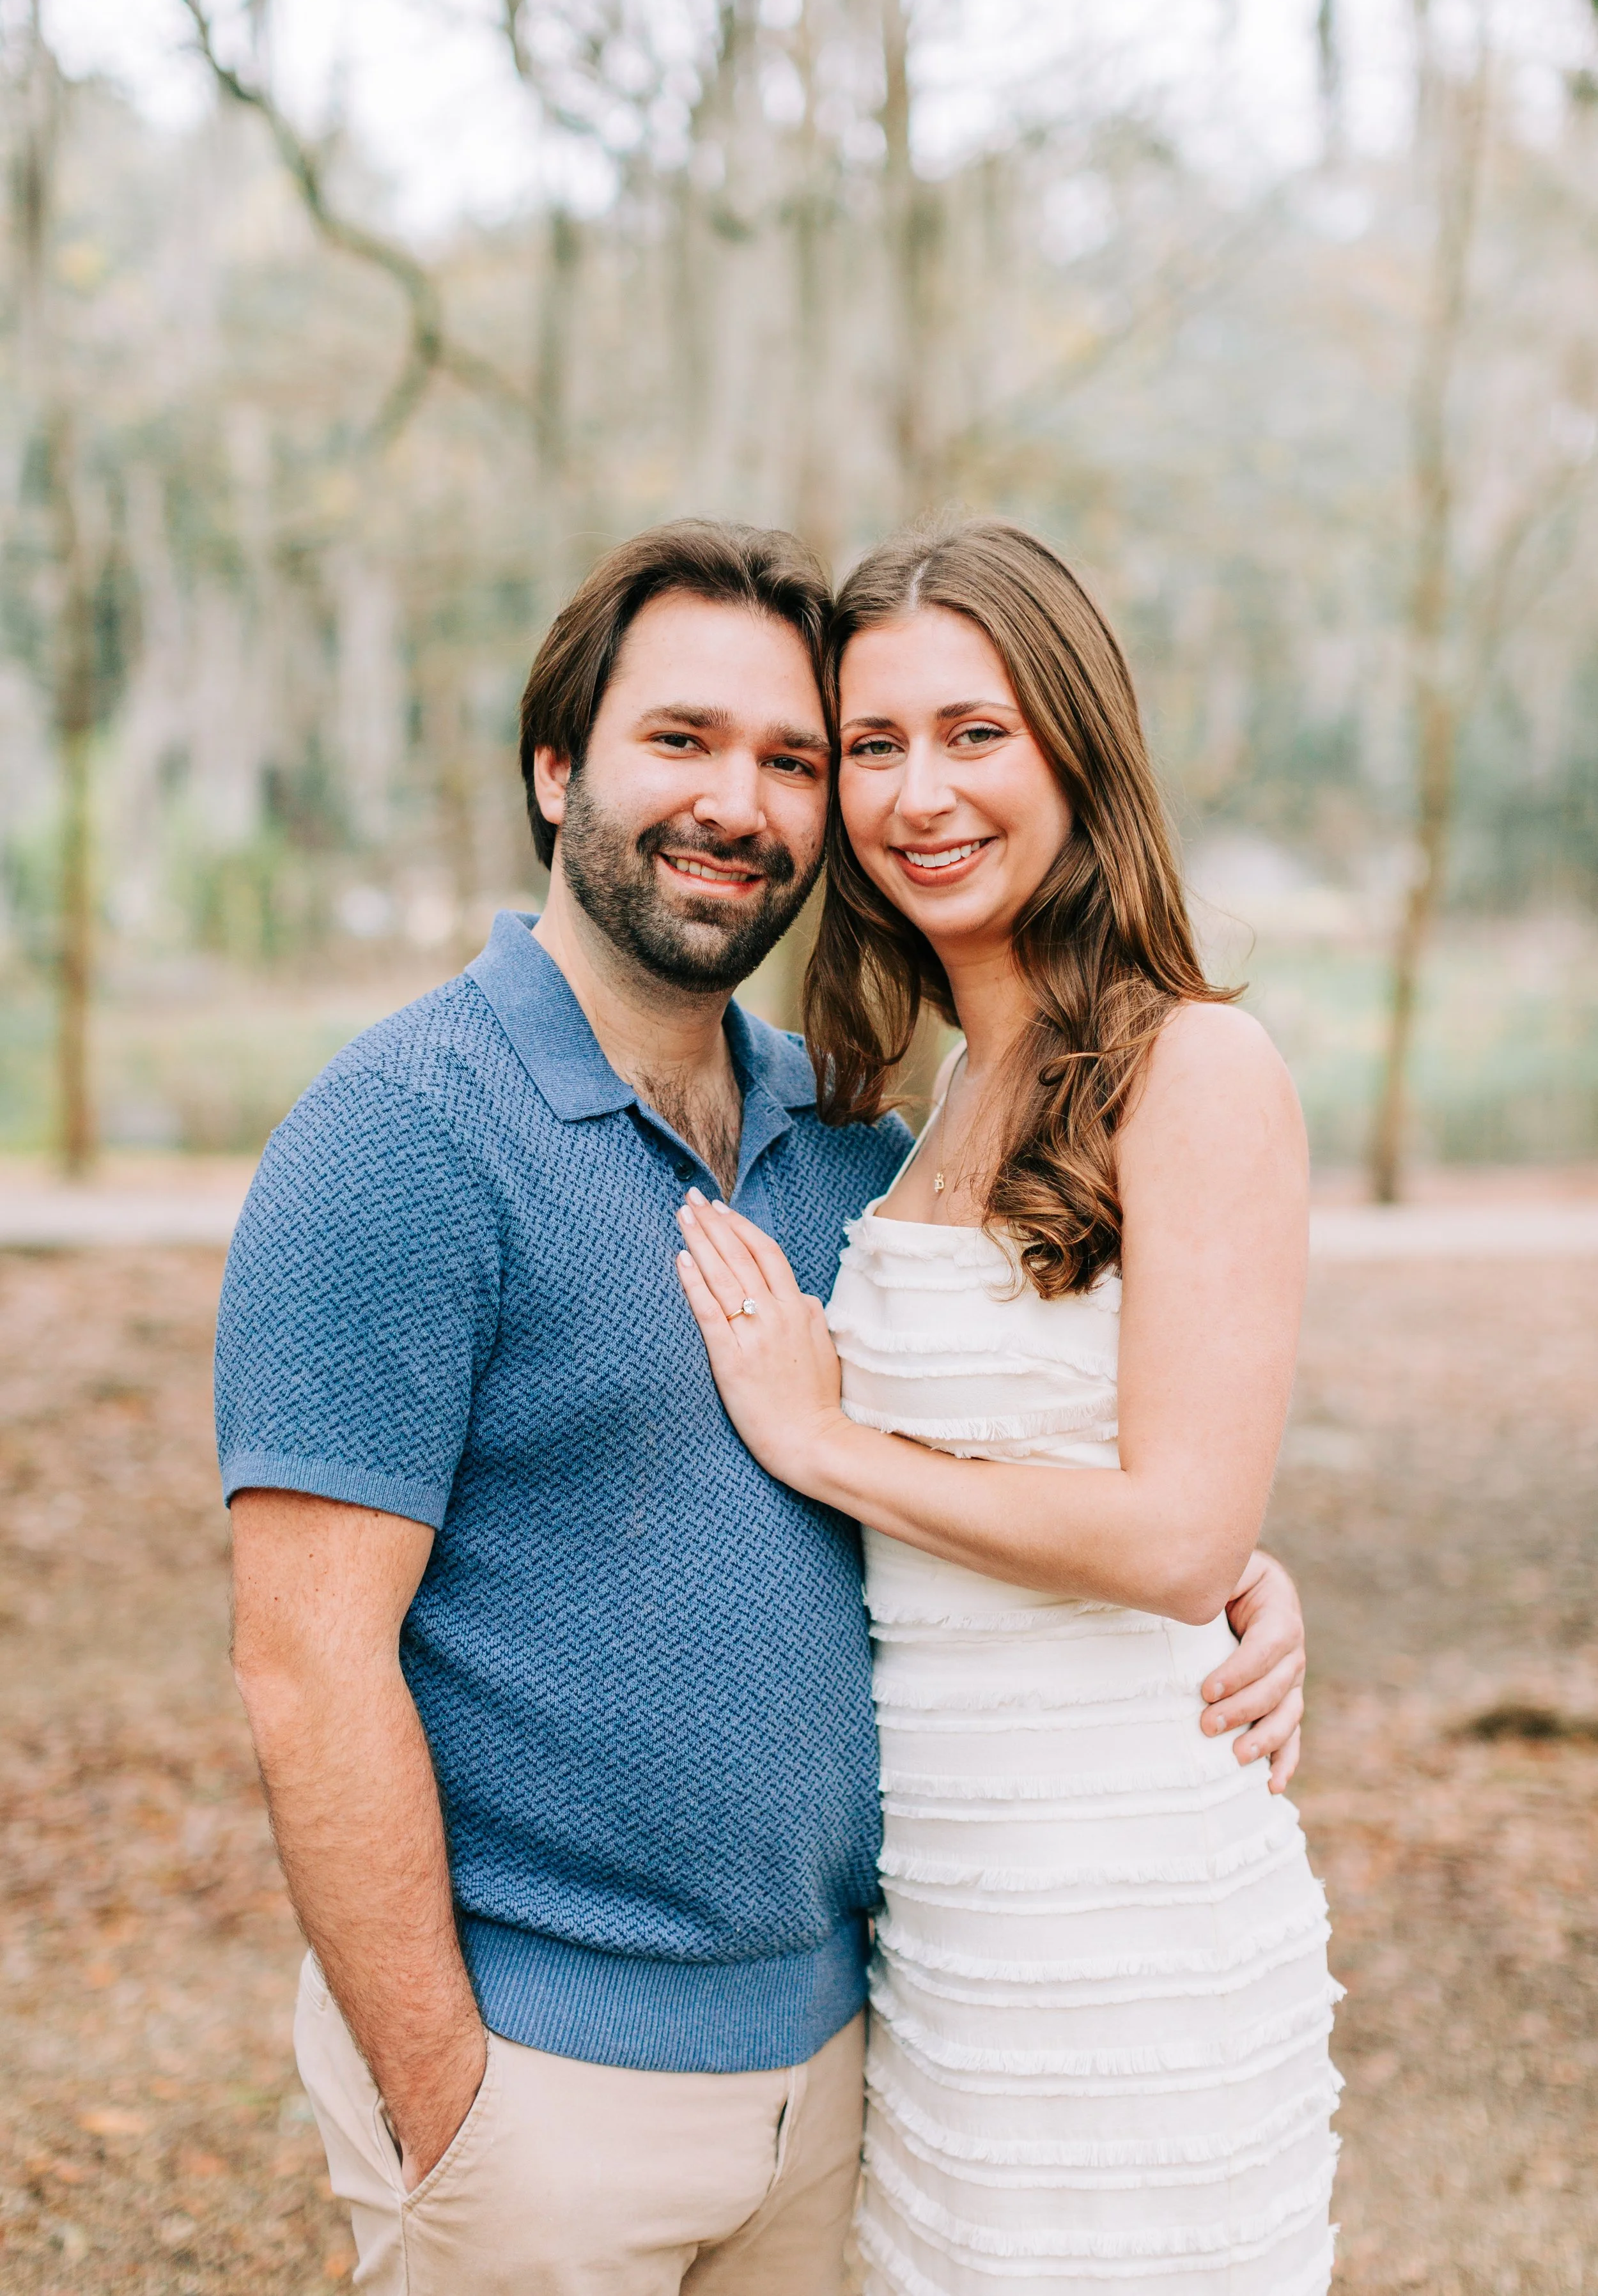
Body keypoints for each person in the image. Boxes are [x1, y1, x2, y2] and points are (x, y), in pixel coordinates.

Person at [215, 518, 1310, 2296]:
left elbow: (1046, 1450)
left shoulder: (856, 1141)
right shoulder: (403, 1130)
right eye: (682, 741)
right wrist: (449, 2101)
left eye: (796, 756)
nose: (746, 800)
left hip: (864, 2045)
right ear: (554, 766)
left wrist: (1234, 1571)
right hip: (547, 2082)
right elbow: (302, 1663)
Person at [675, 519, 1340, 2296]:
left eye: (972, 732)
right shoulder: (941, 1095)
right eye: (871, 744)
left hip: (1122, 1897)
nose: (917, 793)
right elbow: (1091, 1458)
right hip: (951, 1902)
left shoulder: (1193, 1065)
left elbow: (1174, 1529)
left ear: (1073, 743)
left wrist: (824, 1440)